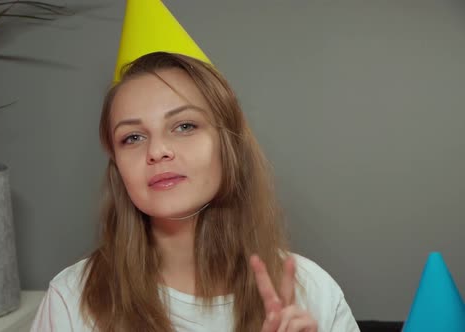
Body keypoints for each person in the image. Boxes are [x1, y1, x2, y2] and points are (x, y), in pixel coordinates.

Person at [31, 51, 360, 331]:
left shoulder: (314, 292)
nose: (157, 150)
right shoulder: (71, 299)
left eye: (184, 126)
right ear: (117, 167)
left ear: (227, 145)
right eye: (132, 137)